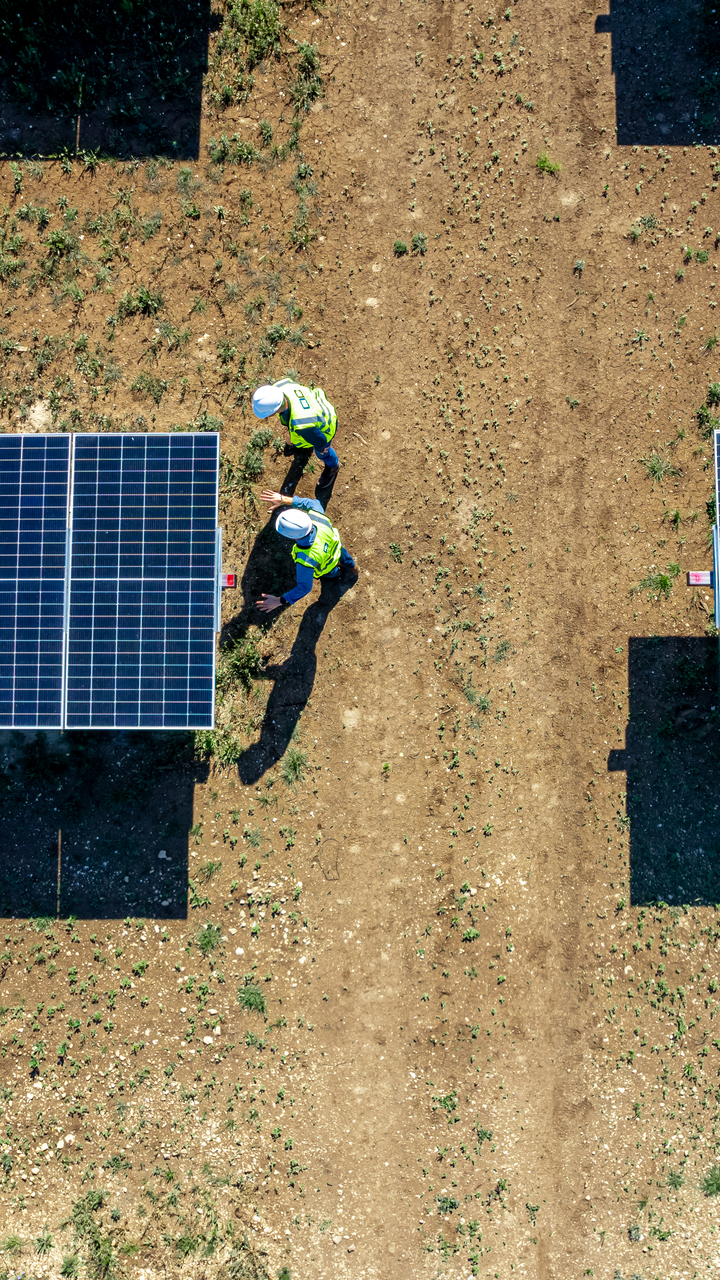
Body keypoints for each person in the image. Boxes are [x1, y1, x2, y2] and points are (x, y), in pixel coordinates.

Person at [256, 489, 357, 613]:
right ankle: (354, 570)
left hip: (327, 567)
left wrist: (280, 600)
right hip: (338, 550)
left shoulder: (306, 559)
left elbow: (304, 587)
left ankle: (339, 575)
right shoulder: (318, 515)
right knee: (349, 562)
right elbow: (312, 503)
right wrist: (283, 499)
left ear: (293, 537)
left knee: (333, 573)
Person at [252, 378, 339, 496]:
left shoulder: (301, 423)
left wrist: (322, 448)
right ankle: (297, 443)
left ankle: (333, 466)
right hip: (318, 407)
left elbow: (321, 440)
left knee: (322, 452)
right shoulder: (281, 386)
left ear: (274, 411)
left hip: (326, 427)